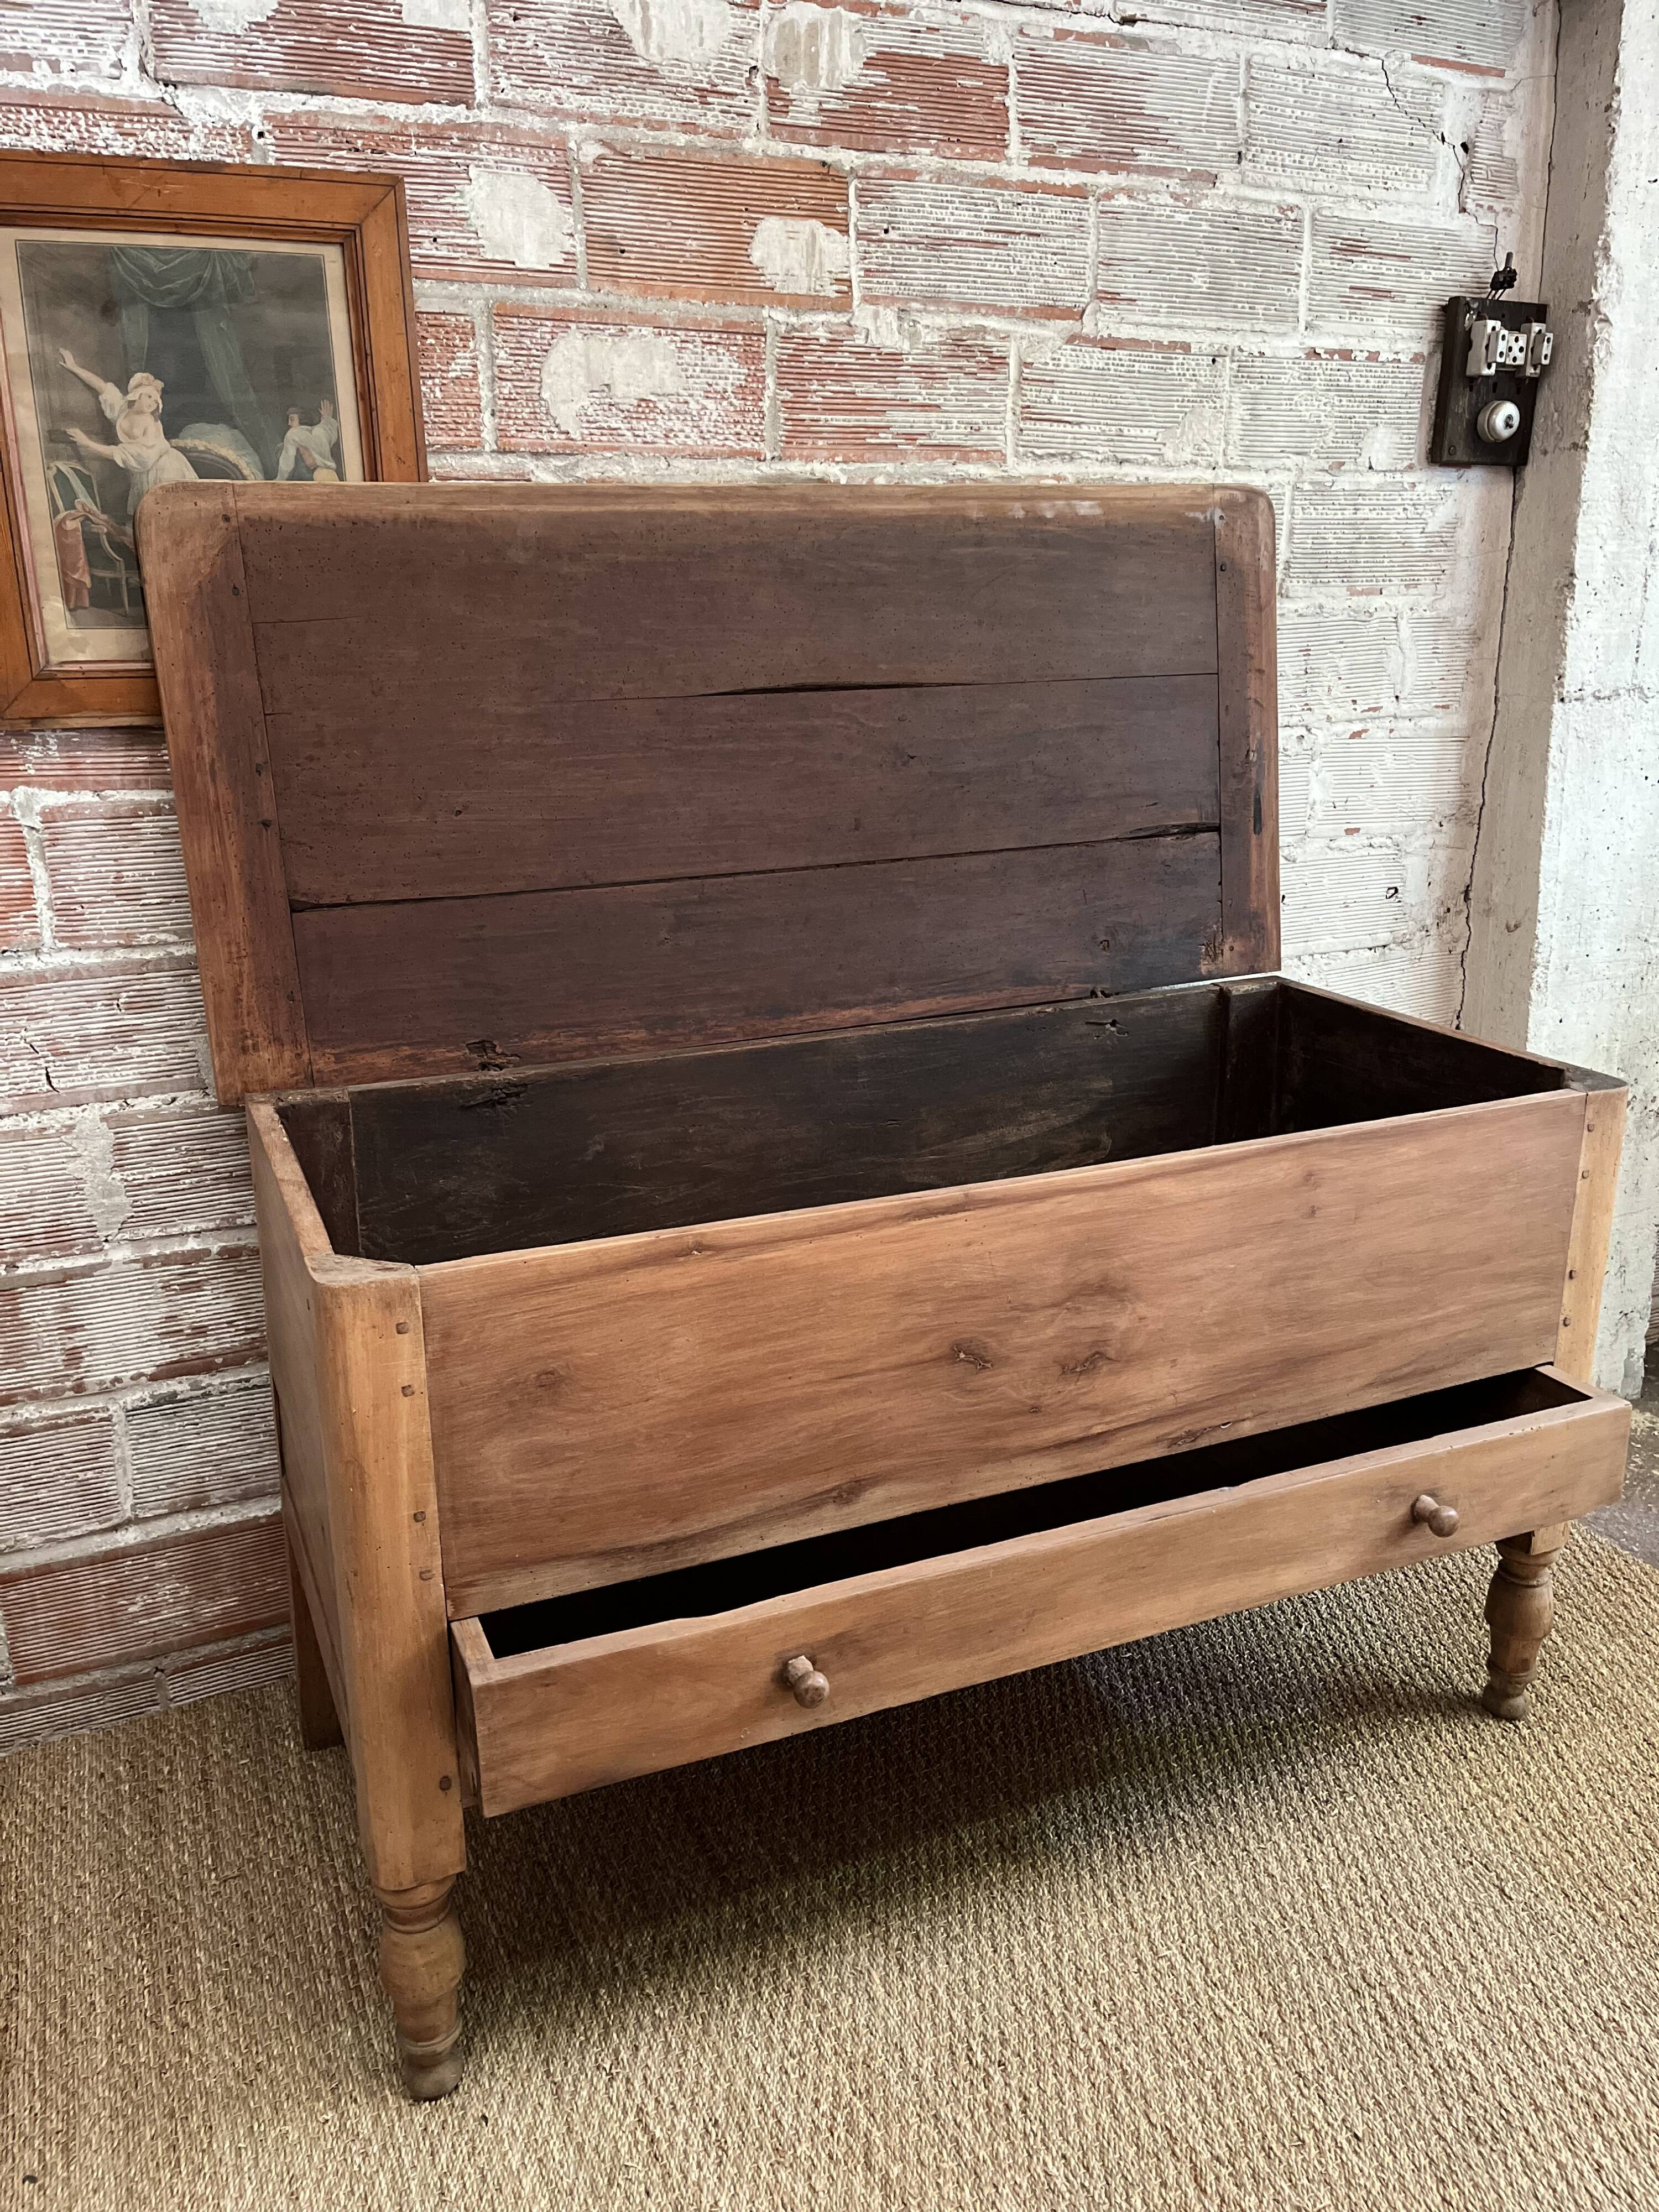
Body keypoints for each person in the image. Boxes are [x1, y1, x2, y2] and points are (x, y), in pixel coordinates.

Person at [56, 350, 199, 513]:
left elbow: (128, 455)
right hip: (145, 472)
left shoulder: (151, 424)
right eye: (149, 397)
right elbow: (102, 387)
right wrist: (74, 367)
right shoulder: (122, 409)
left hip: (166, 468)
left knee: (172, 512)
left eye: (156, 401)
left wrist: (87, 443)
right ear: (137, 395)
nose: (152, 403)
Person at [275, 397, 341, 481]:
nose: (289, 423)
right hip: (330, 475)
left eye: (292, 420)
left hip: (317, 476)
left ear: (301, 419)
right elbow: (330, 429)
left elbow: (286, 465)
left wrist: (279, 480)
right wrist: (327, 419)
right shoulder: (320, 431)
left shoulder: (293, 434)